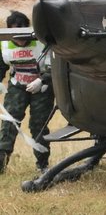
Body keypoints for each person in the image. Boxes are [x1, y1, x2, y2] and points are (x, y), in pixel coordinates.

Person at [0, 11, 54, 173]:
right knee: (9, 123)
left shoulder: (42, 42)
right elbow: (2, 66)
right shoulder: (4, 44)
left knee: (38, 125)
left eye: (23, 33)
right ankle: (1, 163)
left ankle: (42, 165)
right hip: (17, 86)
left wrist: (42, 80)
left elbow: (55, 67)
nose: (20, 39)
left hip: (41, 87)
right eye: (15, 33)